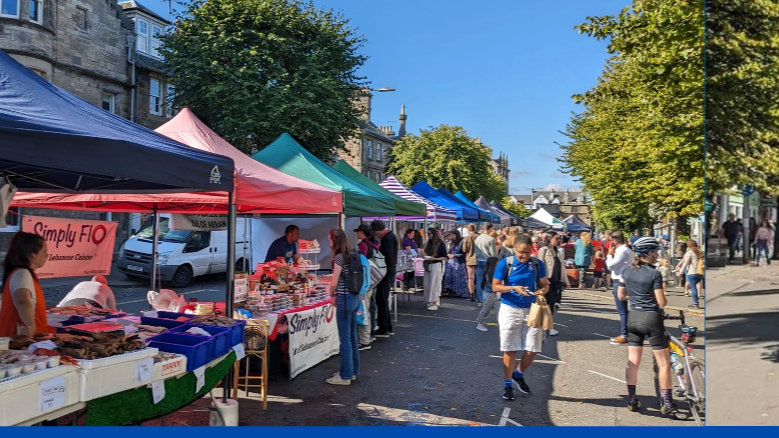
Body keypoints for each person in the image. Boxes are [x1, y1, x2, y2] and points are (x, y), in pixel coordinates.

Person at [617, 237, 687, 420]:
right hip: (651, 318)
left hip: (633, 318)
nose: (657, 254)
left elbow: (621, 295)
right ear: (647, 253)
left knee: (633, 362)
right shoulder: (654, 274)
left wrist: (635, 297)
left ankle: (632, 400)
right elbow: (662, 302)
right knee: (663, 363)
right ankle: (668, 403)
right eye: (655, 251)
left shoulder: (627, 271)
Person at [492, 235, 550, 400]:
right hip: (510, 308)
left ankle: (518, 374)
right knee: (510, 348)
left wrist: (542, 291)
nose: (523, 256)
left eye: (526, 252)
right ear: (514, 249)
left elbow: (545, 283)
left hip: (532, 309)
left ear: (531, 249)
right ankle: (507, 384)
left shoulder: (537, 264)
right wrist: (512, 288)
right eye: (520, 252)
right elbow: (495, 285)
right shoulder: (506, 263)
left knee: (533, 348)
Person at [0, 232, 56, 337]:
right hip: (19, 338)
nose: (47, 255)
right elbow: (22, 300)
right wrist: (30, 323)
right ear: (32, 255)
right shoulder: (22, 273)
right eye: (44, 252)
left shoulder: (20, 273)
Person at [326, 229, 360, 385]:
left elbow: (334, 281)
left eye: (330, 240)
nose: (329, 243)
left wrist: (331, 294)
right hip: (354, 298)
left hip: (344, 299)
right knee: (353, 337)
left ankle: (345, 375)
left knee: (345, 339)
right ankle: (352, 371)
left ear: (335, 240)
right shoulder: (353, 253)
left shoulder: (339, 257)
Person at [537, 231, 570, 335]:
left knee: (552, 304)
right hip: (547, 281)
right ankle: (547, 326)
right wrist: (542, 279)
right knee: (549, 302)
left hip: (556, 280)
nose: (558, 240)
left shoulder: (559, 251)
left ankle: (547, 325)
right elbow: (539, 265)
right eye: (556, 238)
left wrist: (566, 281)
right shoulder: (543, 250)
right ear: (550, 239)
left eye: (559, 238)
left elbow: (562, 267)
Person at [354, 224, 381, 350]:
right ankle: (370, 334)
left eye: (358, 232)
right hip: (372, 280)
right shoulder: (373, 243)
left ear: (362, 232)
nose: (356, 234)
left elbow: (361, 264)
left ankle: (364, 340)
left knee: (363, 310)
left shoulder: (363, 245)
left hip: (364, 282)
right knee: (370, 308)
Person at [606, 231, 634, 345]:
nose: (610, 243)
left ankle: (624, 334)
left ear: (615, 240)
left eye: (611, 240)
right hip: (623, 279)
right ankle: (626, 333)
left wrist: (609, 254)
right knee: (624, 310)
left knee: (622, 310)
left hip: (620, 280)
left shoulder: (622, 251)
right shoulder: (626, 249)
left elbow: (611, 266)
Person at [371, 220, 397, 338]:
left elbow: (387, 257)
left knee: (381, 299)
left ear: (378, 231)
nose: (376, 235)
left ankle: (384, 327)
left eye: (376, 233)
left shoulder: (387, 239)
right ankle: (387, 326)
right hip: (389, 271)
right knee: (383, 299)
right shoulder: (391, 236)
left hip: (386, 272)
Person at [423, 228, 448, 310]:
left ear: (434, 234)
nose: (428, 235)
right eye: (427, 234)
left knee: (434, 284)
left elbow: (445, 257)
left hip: (436, 264)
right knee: (426, 284)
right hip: (428, 265)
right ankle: (429, 301)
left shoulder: (440, 244)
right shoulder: (429, 243)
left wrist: (434, 258)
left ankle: (434, 302)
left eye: (429, 233)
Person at [474, 223, 497, 307]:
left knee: (479, 281)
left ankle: (480, 300)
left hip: (479, 260)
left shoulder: (477, 238)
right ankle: (488, 300)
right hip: (488, 261)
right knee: (489, 281)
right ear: (490, 228)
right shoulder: (490, 239)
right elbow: (493, 254)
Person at [677, 240, 704, 309]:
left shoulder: (690, 252)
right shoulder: (700, 252)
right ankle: (696, 301)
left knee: (693, 287)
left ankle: (695, 304)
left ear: (688, 246)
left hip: (692, 272)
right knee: (697, 285)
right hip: (700, 272)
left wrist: (680, 272)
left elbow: (685, 263)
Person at [443, 230, 469, 298]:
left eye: (453, 235)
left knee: (458, 277)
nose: (451, 237)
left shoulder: (461, 242)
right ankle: (451, 290)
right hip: (451, 261)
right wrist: (448, 254)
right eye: (451, 235)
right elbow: (449, 251)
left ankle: (460, 292)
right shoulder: (451, 243)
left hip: (458, 262)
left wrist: (455, 255)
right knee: (449, 276)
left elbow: (464, 253)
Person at [461, 224, 479, 301]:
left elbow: (464, 249)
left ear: (468, 230)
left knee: (470, 278)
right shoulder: (479, 237)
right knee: (479, 277)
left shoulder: (467, 238)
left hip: (470, 259)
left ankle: (471, 294)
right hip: (479, 258)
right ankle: (479, 294)